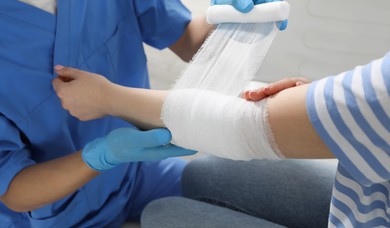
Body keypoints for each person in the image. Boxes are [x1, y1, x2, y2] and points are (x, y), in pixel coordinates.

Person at [0, 0, 285, 226]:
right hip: (60, 215)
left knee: (272, 189)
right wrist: (100, 156)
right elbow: (11, 190)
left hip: (138, 171)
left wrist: (228, 18)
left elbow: (187, 40)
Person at [52, 51, 390, 226]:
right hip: (375, 200)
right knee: (205, 172)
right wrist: (316, 106)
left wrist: (109, 98)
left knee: (164, 215)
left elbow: (239, 126)